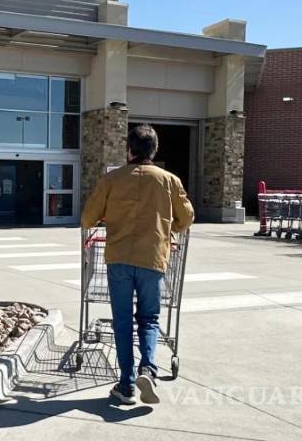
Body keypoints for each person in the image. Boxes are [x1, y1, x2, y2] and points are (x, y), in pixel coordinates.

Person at [80, 124, 194, 406]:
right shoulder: (169, 180)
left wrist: (106, 218)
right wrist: (170, 227)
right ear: (154, 150)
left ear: (129, 150)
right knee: (149, 318)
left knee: (122, 321)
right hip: (152, 258)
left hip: (118, 258)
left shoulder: (112, 180)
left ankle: (126, 385)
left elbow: (87, 218)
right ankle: (148, 369)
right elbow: (187, 217)